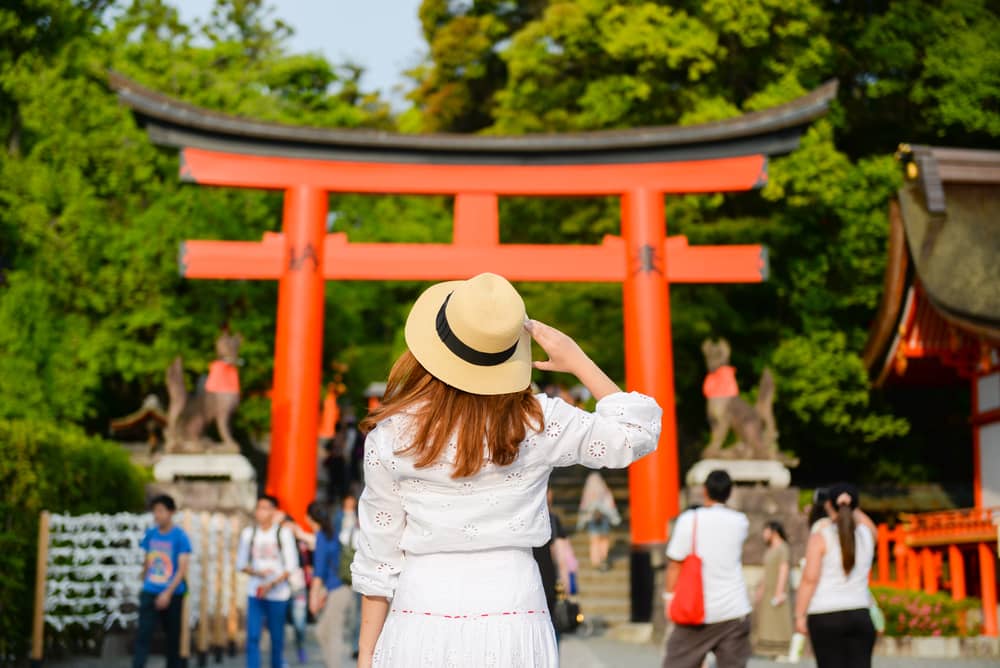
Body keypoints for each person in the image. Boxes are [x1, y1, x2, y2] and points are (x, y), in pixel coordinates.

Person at [349, 272, 662, 668]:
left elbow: (379, 558)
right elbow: (636, 432)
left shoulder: (392, 436)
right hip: (513, 605)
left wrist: (365, 654)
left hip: (421, 609)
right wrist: (576, 359)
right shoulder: (538, 421)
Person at [663, 469, 751, 668]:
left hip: (696, 611)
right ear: (729, 492)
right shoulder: (741, 522)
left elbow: (675, 564)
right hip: (734, 610)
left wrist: (669, 598)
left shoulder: (690, 520)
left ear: (705, 490)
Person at [794, 483, 877, 668]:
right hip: (860, 612)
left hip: (825, 614)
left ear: (828, 505)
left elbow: (809, 579)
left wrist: (799, 615)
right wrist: (851, 506)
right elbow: (870, 526)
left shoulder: (821, 536)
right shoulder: (866, 535)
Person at [236, 495, 299, 668]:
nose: (260, 512)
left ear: (274, 511)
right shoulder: (249, 534)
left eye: (265, 508)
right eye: (259, 507)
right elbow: (241, 564)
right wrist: (257, 573)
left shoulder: (283, 533)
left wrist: (271, 584)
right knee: (253, 637)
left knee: (277, 639)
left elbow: (291, 566)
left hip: (278, 594)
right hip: (255, 592)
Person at [133, 494, 191, 668]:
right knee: (142, 636)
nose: (156, 515)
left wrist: (167, 593)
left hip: (173, 594)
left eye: (160, 510)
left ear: (171, 512)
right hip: (150, 591)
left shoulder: (180, 536)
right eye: (154, 511)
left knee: (172, 639)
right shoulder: (150, 534)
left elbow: (182, 569)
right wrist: (144, 583)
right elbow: (147, 560)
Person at [308, 500, 353, 667]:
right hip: (339, 589)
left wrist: (313, 598)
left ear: (309, 518)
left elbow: (318, 572)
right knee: (322, 631)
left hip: (338, 590)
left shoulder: (321, 536)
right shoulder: (331, 533)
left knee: (332, 634)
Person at [532, 488, 568, 641]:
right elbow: (560, 550)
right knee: (549, 619)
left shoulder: (530, 519)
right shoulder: (551, 519)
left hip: (537, 572)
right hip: (545, 571)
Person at [753, 520, 793, 657]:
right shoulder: (771, 549)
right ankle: (769, 650)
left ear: (774, 532)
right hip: (768, 591)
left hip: (777, 591)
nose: (764, 534)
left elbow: (783, 569)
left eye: (766, 531)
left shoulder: (783, 548)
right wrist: (760, 589)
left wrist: (779, 591)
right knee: (768, 622)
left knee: (779, 621)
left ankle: (781, 650)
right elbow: (766, 572)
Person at [278, 512, 312, 664]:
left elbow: (315, 543)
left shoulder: (301, 542)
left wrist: (299, 533)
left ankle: (300, 647)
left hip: (298, 587)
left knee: (299, 623)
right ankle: (281, 656)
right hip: (279, 588)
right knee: (280, 624)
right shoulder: (276, 542)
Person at [577, 472, 621, 571]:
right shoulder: (604, 490)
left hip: (592, 518)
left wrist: (581, 520)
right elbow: (610, 504)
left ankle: (595, 561)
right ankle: (603, 558)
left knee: (594, 541)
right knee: (604, 540)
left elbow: (584, 506)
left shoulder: (588, 491)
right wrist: (614, 517)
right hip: (604, 518)